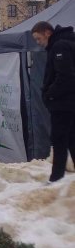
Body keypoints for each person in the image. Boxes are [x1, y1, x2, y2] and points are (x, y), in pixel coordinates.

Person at [32, 21, 75, 182]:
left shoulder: (60, 47)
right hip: (69, 102)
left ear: (47, 33)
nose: (38, 43)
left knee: (59, 140)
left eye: (38, 38)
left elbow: (65, 76)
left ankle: (56, 178)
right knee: (71, 138)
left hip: (63, 103)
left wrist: (49, 93)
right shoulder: (69, 42)